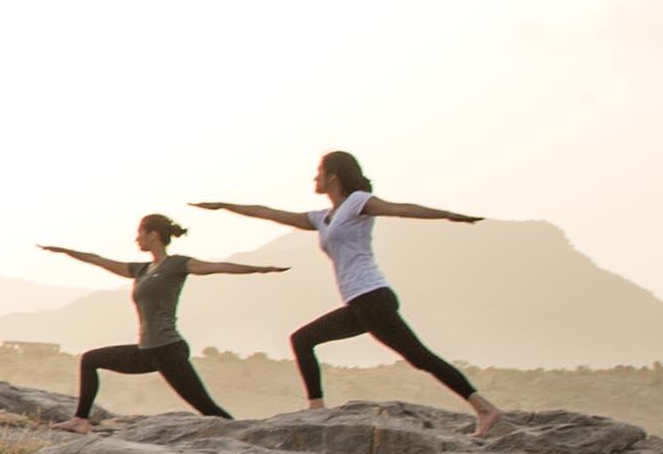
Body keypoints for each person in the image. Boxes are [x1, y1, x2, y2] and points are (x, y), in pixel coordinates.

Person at [198, 152, 504, 428]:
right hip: (359, 303)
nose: (314, 178)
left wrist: (449, 215)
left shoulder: (358, 202)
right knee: (303, 340)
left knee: (419, 357)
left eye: (318, 172)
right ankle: (316, 409)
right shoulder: (322, 218)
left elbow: (400, 209)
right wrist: (225, 206)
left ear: (333, 176)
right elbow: (268, 212)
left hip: (373, 297)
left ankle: (484, 409)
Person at [43, 213, 276, 419]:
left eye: (139, 233)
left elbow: (217, 266)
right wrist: (66, 252)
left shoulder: (176, 265)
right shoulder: (141, 270)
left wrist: (259, 269)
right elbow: (98, 260)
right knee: (90, 360)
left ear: (152, 235)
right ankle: (80, 421)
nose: (137, 238)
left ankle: (243, 437)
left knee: (208, 409)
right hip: (147, 351)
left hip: (168, 350)